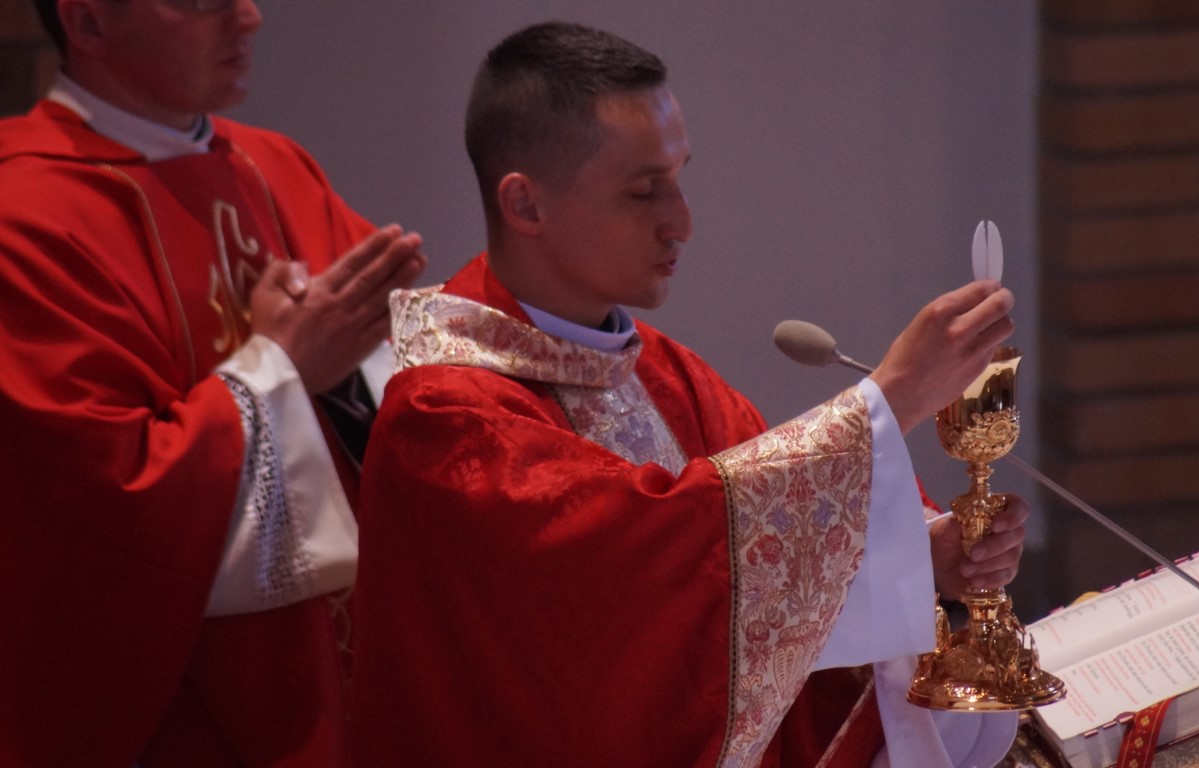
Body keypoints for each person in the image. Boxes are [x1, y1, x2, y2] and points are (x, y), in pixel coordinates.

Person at [351, 20, 1026, 768]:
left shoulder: (659, 372)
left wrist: (917, 556)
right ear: (526, 205)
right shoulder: (443, 422)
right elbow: (649, 582)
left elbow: (758, 557)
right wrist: (891, 400)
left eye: (679, 178)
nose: (682, 222)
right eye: (644, 191)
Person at [0, 0, 426, 765]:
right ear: (89, 24)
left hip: (343, 686)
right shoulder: (23, 213)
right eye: (201, 3)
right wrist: (284, 369)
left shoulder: (276, 166)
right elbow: (101, 506)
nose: (249, 18)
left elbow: (404, 383)